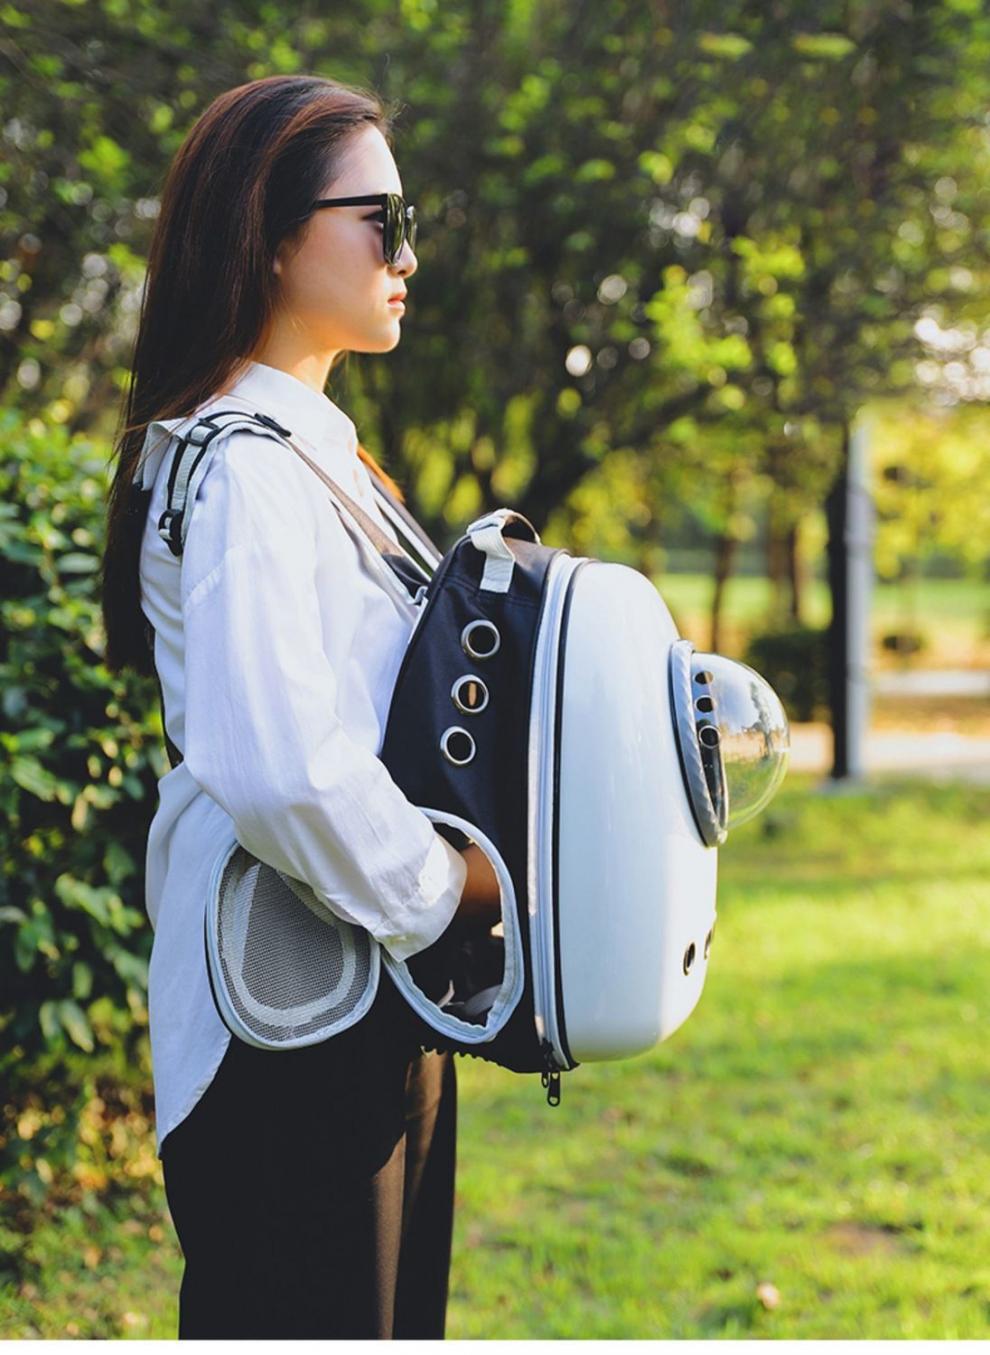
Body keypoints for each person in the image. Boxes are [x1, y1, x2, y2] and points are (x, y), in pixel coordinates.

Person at [99, 73, 502, 1340]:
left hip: (351, 996)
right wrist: (446, 892)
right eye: (381, 220)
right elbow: (279, 765)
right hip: (287, 1027)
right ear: (270, 236)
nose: (407, 255)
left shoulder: (308, 452)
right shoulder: (246, 471)